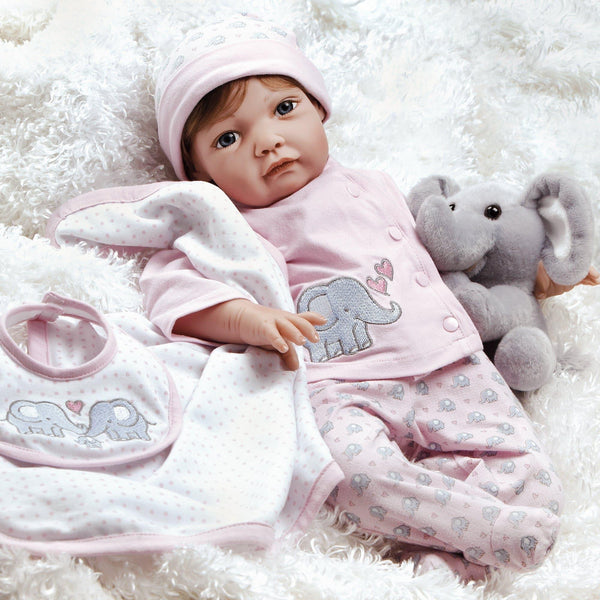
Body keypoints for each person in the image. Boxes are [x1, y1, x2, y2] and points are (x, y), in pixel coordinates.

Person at [144, 14, 568, 580]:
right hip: (341, 384)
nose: (267, 141)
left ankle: (448, 558)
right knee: (349, 476)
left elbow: (455, 243)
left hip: (447, 360)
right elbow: (169, 285)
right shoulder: (227, 224)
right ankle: (491, 534)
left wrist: (530, 267)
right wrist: (245, 318)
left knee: (529, 472)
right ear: (200, 174)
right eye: (229, 138)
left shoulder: (374, 183)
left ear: (319, 109)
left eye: (284, 108)